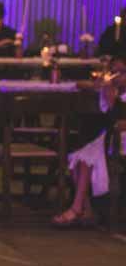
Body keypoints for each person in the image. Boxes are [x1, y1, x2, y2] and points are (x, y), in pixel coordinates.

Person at [52, 56, 126, 228]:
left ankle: (78, 209)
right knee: (78, 157)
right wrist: (100, 86)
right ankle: (85, 209)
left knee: (87, 157)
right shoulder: (112, 91)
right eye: (114, 71)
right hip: (111, 137)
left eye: (122, 72)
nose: (118, 76)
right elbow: (79, 85)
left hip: (121, 137)